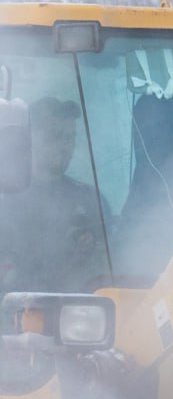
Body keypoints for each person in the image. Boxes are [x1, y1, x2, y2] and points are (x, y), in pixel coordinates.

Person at [1, 97, 108, 292]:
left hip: (84, 315)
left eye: (70, 137)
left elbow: (110, 262)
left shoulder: (90, 199)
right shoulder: (6, 200)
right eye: (55, 136)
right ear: (28, 139)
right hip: (16, 315)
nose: (64, 145)